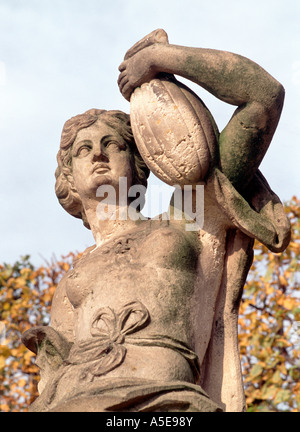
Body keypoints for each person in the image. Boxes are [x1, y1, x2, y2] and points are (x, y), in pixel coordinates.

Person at [22, 31, 290, 412]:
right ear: (68, 179)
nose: (98, 153)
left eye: (112, 144)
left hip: (168, 403)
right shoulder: (72, 280)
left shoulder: (188, 215)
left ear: (139, 163)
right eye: (83, 150)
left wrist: (163, 58)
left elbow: (264, 96)